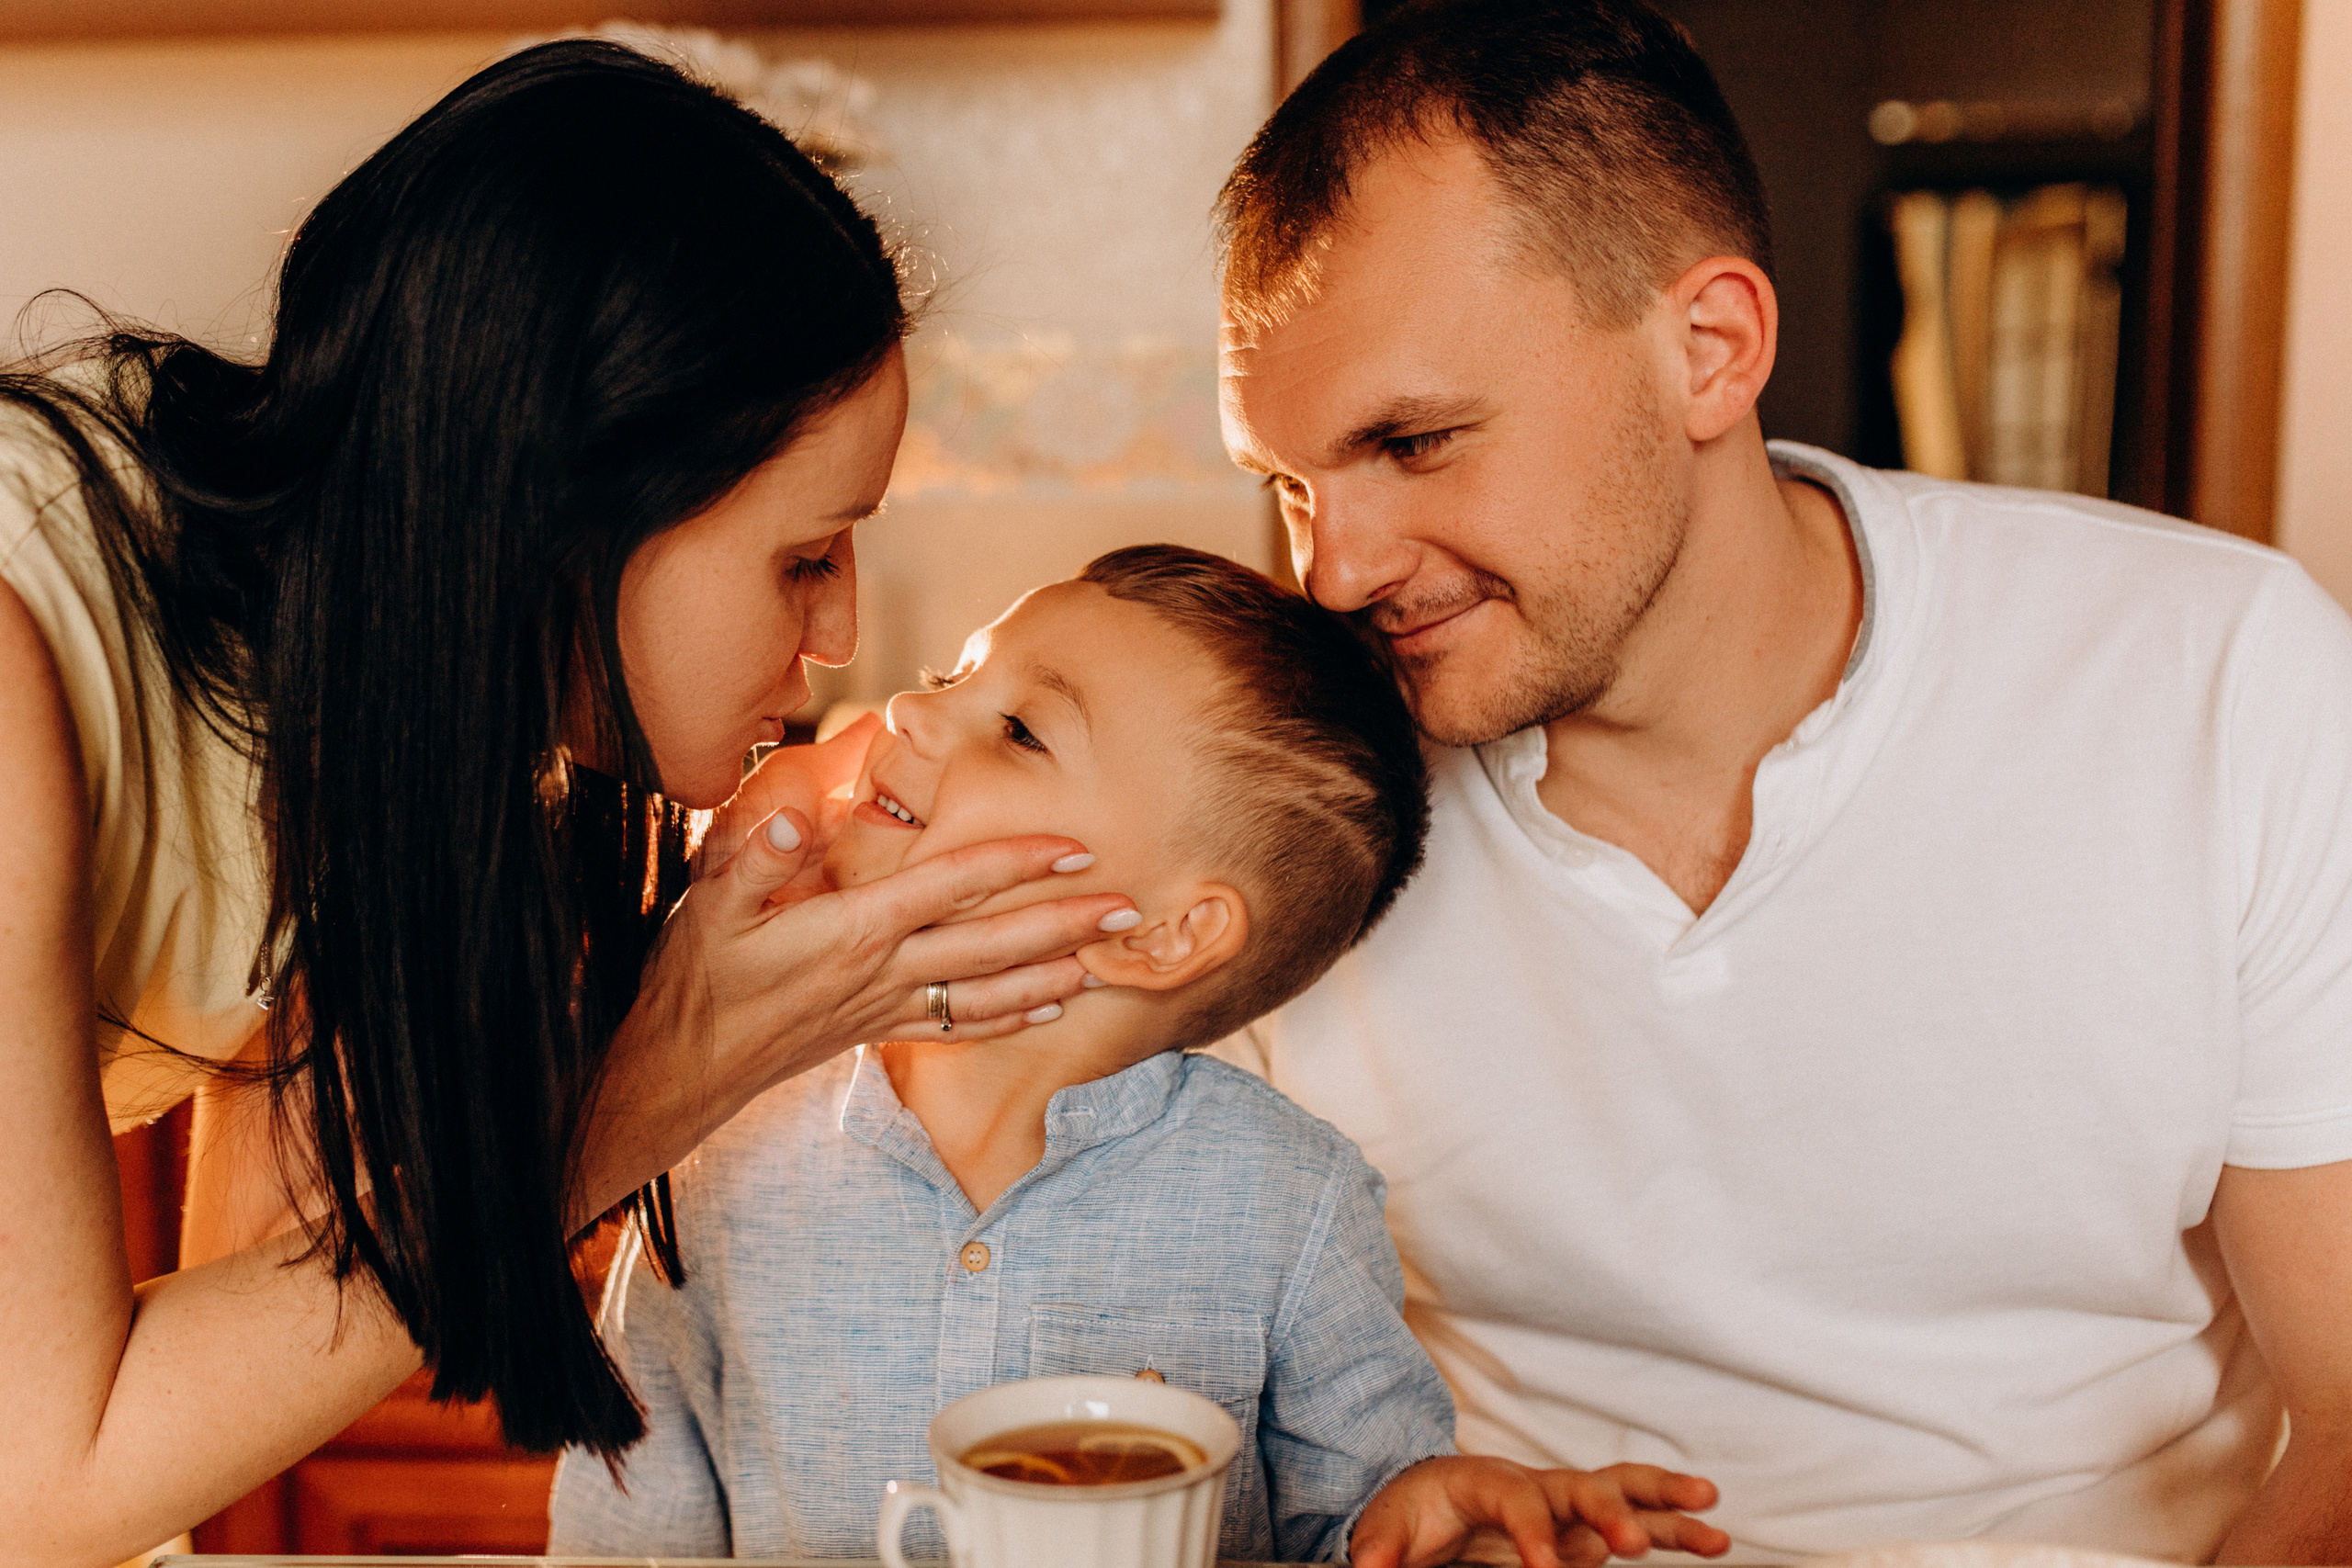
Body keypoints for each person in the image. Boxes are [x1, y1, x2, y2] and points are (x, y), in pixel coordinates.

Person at [1209, 2, 2352, 1562]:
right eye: (1287, 484)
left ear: (1710, 349)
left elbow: (2348, 1422)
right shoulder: (1278, 784)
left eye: (1413, 442)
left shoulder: (2221, 674)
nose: (1333, 570)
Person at [0, 42, 1140, 1566]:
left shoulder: (349, 705)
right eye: (807, 556)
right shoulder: (20, 656)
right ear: (568, 507)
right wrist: (670, 1074)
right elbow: (48, 1483)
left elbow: (264, 1319)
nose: (843, 639)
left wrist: (684, 1017)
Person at [544, 545, 1733, 1568]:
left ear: (1169, 933)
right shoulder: (715, 1157)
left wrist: (1430, 1517)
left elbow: (1364, 1517)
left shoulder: (1291, 1202)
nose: (908, 710)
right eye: (954, 675)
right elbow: (625, 1524)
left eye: (1017, 728)